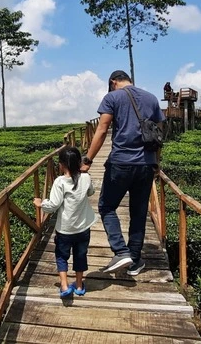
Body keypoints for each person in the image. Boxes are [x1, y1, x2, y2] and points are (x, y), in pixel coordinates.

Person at [80, 70, 165, 276]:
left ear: (113, 82)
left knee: (107, 206)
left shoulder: (112, 97)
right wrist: (156, 162)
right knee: (138, 211)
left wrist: (88, 160)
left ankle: (120, 251)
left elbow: (102, 129)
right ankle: (135, 261)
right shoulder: (151, 98)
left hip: (121, 162)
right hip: (146, 164)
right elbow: (159, 133)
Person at [33, 146, 95, 297]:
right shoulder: (86, 177)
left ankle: (65, 285)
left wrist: (41, 204)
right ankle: (79, 286)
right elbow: (91, 192)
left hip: (65, 229)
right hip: (83, 227)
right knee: (81, 255)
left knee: (62, 255)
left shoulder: (59, 182)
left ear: (61, 164)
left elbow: (53, 205)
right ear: (79, 163)